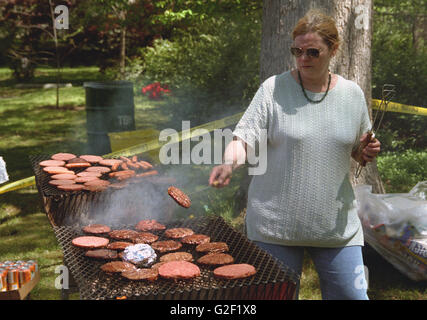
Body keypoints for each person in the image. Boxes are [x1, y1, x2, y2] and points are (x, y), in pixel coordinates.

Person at [208, 9, 381, 300]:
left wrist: (365, 151)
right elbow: (244, 138)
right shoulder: (272, 90)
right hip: (274, 228)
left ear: (333, 50)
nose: (303, 58)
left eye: (312, 52)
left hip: (336, 229)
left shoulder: (352, 95)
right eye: (297, 51)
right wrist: (228, 163)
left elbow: (356, 150)